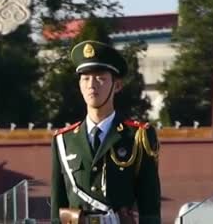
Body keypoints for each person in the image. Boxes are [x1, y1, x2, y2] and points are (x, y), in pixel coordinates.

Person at [50, 40, 161, 224]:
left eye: (100, 78)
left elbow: (149, 207)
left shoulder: (137, 137)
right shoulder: (64, 140)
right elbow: (57, 208)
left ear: (117, 86)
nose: (92, 85)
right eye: (85, 78)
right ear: (79, 85)